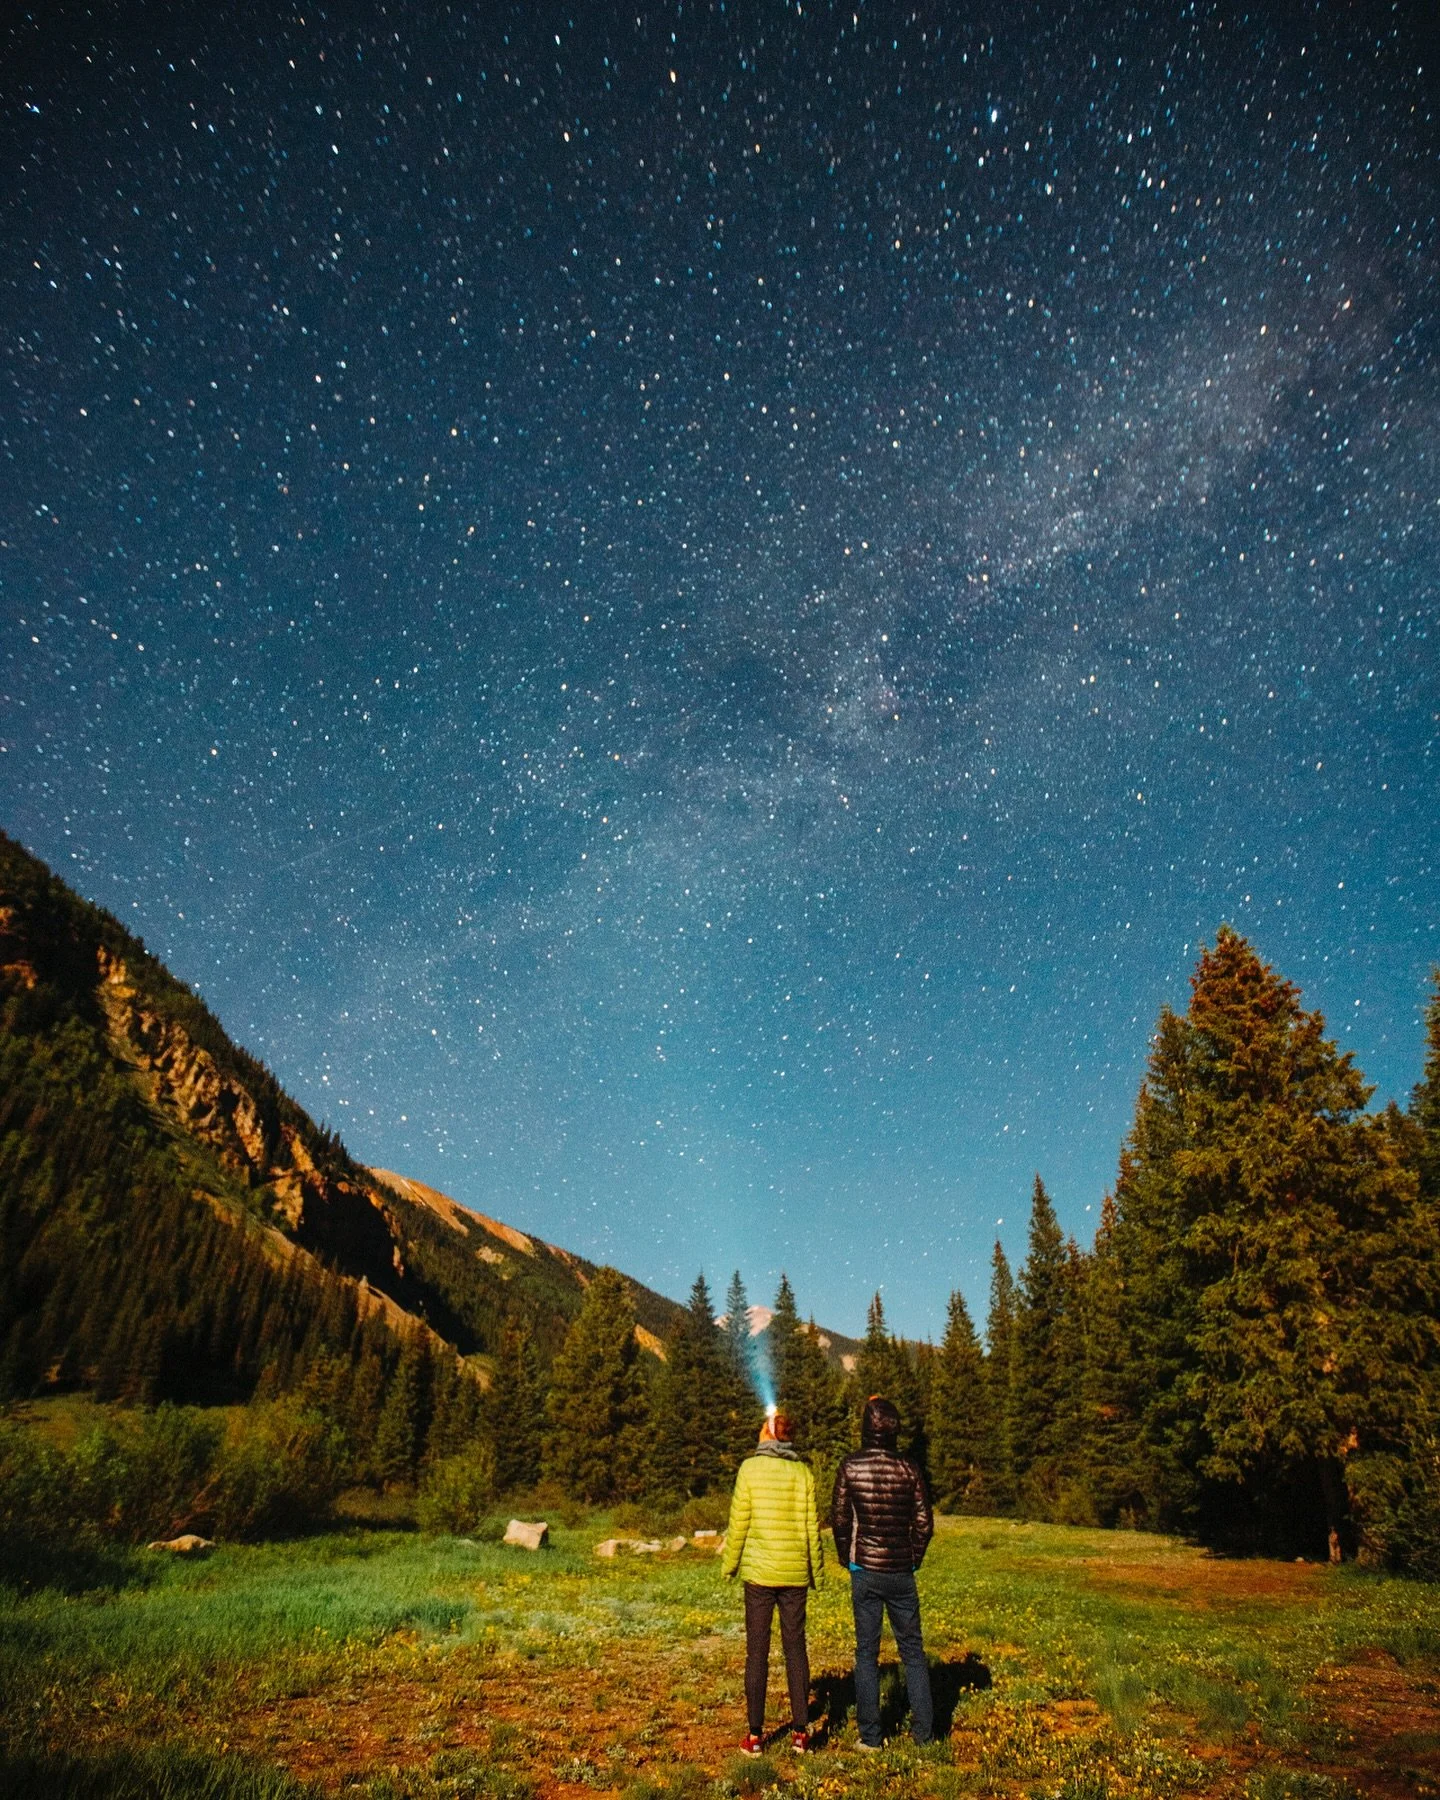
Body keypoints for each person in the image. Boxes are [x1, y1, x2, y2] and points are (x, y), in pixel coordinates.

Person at [830, 1394, 935, 1747]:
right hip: (901, 1570)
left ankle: (871, 1738)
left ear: (865, 1428)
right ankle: (924, 1736)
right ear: (894, 1430)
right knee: (913, 1653)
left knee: (866, 1653)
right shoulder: (910, 1468)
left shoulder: (850, 1466)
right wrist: (914, 1557)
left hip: (865, 1569)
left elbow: (841, 1518)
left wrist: (847, 1557)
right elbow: (924, 1522)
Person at [721, 1408, 824, 1755]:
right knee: (796, 1648)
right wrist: (817, 1574)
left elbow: (739, 1523)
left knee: (757, 1652)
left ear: (768, 1435)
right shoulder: (803, 1473)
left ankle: (754, 1736)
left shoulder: (749, 1469)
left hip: (760, 1576)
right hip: (795, 1574)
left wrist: (730, 1565)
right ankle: (800, 1732)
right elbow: (812, 1528)